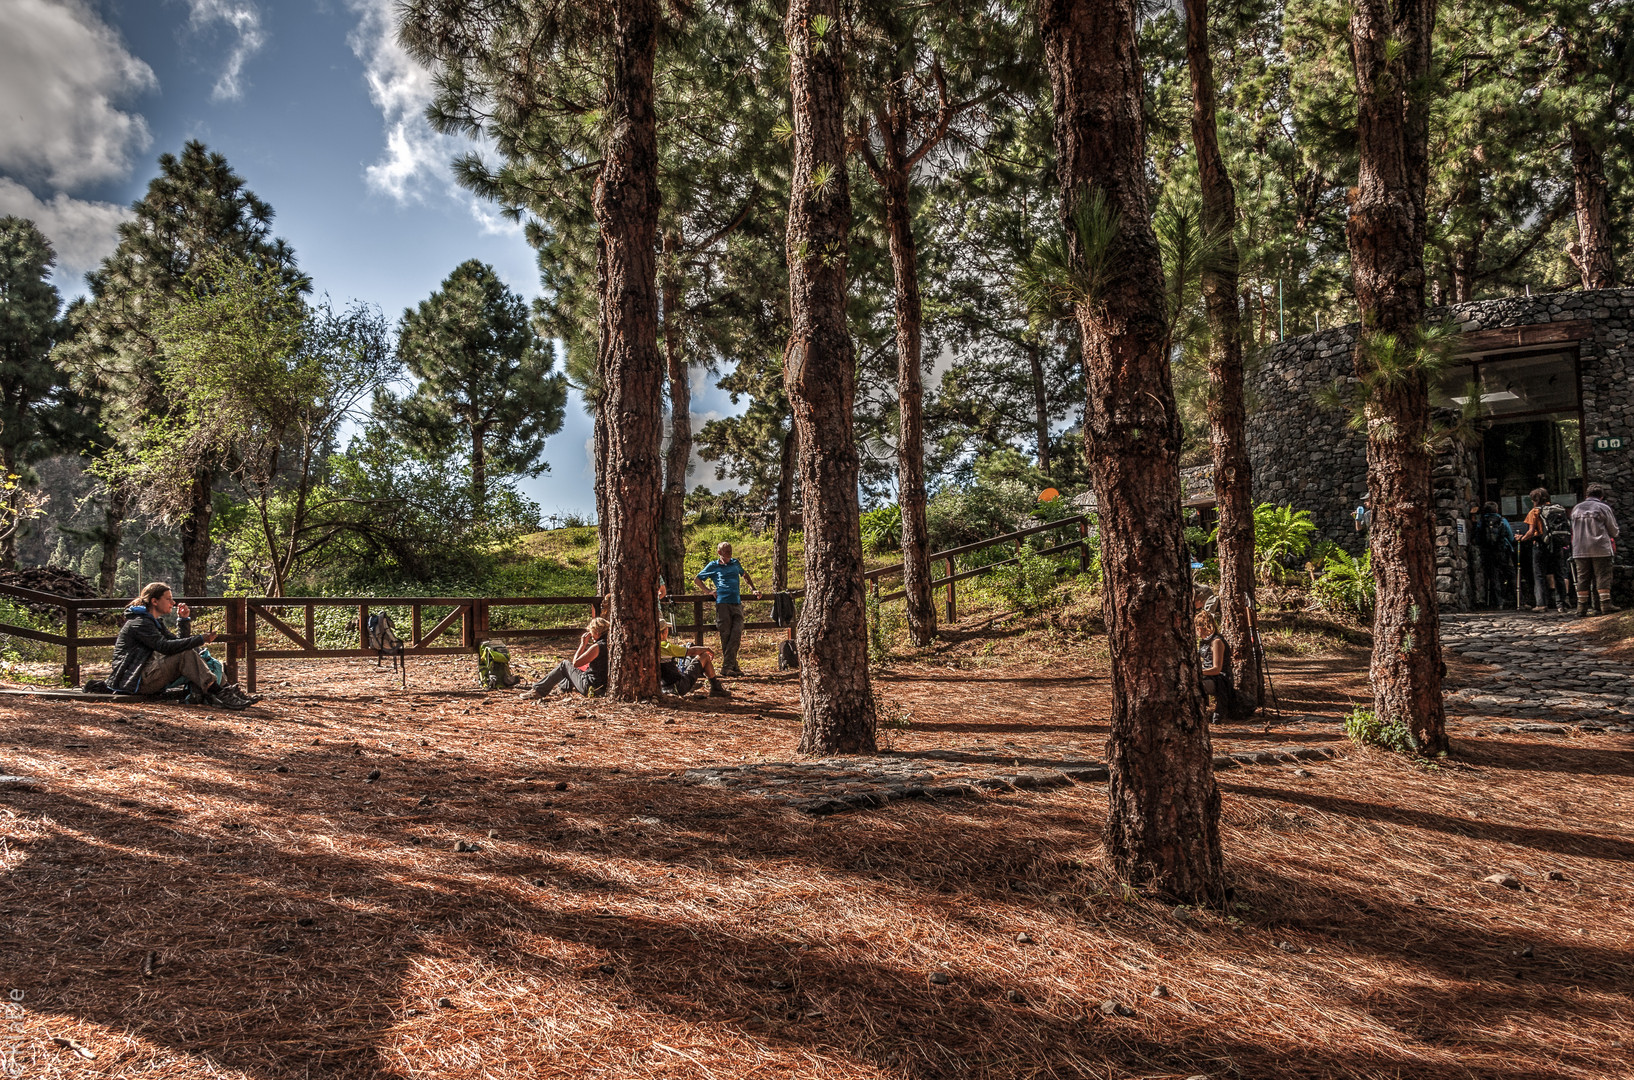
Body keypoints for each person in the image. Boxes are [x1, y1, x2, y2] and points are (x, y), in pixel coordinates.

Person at [107, 582, 253, 708]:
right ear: (154, 601)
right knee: (186, 655)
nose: (173, 603)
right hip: (136, 680)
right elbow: (165, 647)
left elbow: (177, 644)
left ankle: (227, 691)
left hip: (147, 675)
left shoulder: (153, 622)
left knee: (197, 655)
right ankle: (221, 694)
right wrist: (200, 638)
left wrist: (183, 621)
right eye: (168, 599)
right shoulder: (140, 623)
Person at [695, 542, 759, 677]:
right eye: (726, 551)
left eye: (730, 550)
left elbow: (745, 575)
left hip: (736, 602)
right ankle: (731, 667)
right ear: (719, 553)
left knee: (737, 631)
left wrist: (753, 589)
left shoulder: (735, 563)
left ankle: (728, 666)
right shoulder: (713, 565)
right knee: (726, 635)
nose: (729, 553)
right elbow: (697, 579)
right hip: (722, 603)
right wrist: (708, 591)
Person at [521, 617, 609, 700]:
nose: (591, 636)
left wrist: (583, 644)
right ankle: (563, 689)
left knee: (565, 665)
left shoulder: (597, 646)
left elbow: (576, 663)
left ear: (597, 632)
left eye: (591, 633)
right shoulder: (610, 643)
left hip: (591, 686)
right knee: (571, 669)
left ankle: (537, 691)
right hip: (602, 687)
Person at [1569, 483, 1621, 617]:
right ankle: (1605, 605)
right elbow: (1613, 530)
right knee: (1603, 576)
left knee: (1583, 578)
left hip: (1579, 548)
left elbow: (1573, 528)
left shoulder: (1576, 508)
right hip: (1600, 548)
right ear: (1601, 496)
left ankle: (1581, 609)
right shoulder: (1603, 507)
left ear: (1587, 495)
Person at [1518, 488, 1572, 613]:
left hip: (1541, 545)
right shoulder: (1559, 509)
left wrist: (1521, 538)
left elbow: (1531, 532)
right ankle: (1562, 604)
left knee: (1539, 575)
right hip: (1557, 545)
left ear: (1534, 500)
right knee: (1559, 573)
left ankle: (1541, 604)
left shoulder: (1535, 512)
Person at [658, 621, 729, 697]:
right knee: (704, 656)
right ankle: (716, 687)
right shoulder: (666, 647)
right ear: (664, 632)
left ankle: (716, 687)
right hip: (679, 686)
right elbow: (692, 652)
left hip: (662, 688)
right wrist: (706, 649)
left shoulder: (649, 648)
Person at [1473, 501, 1515, 609]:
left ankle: (1497, 602)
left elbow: (1478, 537)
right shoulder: (1502, 520)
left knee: (1493, 576)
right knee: (1510, 574)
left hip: (1488, 552)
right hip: (1503, 550)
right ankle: (1517, 599)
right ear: (1497, 510)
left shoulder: (1482, 521)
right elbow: (1510, 536)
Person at [1196, 610, 1235, 720]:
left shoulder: (1216, 642)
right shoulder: (1204, 642)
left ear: (1201, 627)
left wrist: (1198, 672)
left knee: (1196, 685)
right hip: (1208, 675)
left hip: (1220, 680)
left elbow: (1217, 669)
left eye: (1197, 628)